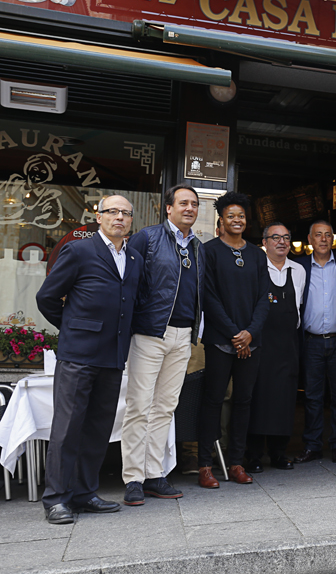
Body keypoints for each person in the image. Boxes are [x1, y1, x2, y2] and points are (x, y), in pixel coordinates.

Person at [35, 195, 142, 524]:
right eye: (112, 212)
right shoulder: (80, 250)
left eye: (125, 213)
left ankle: (84, 493)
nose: (119, 218)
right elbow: (47, 297)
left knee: (98, 429)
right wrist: (74, 328)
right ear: (99, 216)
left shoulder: (134, 257)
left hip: (113, 356)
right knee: (67, 429)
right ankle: (56, 499)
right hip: (79, 354)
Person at [120, 185, 203, 507]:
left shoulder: (197, 246)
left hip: (183, 336)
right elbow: (131, 283)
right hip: (150, 333)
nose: (189, 208)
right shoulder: (147, 237)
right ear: (168, 208)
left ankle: (155, 474)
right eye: (183, 203)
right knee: (139, 406)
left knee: (165, 408)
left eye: (194, 204)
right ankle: (133, 479)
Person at [198, 192, 269, 488]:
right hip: (219, 340)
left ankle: (236, 462)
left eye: (241, 216)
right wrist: (233, 333)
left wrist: (250, 333)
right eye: (231, 216)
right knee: (212, 401)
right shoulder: (209, 251)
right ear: (221, 220)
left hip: (250, 341)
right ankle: (205, 464)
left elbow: (264, 298)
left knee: (243, 401)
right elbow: (209, 297)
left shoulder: (256, 253)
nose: (237, 220)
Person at [245, 223, 306, 473]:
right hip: (261, 344)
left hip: (288, 344)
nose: (281, 242)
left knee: (284, 400)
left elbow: (300, 307)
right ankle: (254, 455)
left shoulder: (299, 270)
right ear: (265, 242)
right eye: (275, 237)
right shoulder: (257, 267)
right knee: (258, 399)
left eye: (286, 237)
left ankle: (279, 453)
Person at [297, 221, 336, 464]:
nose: (324, 239)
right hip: (312, 342)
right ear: (310, 239)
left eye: (328, 235)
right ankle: (312, 445)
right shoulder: (299, 267)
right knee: (313, 397)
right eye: (318, 235)